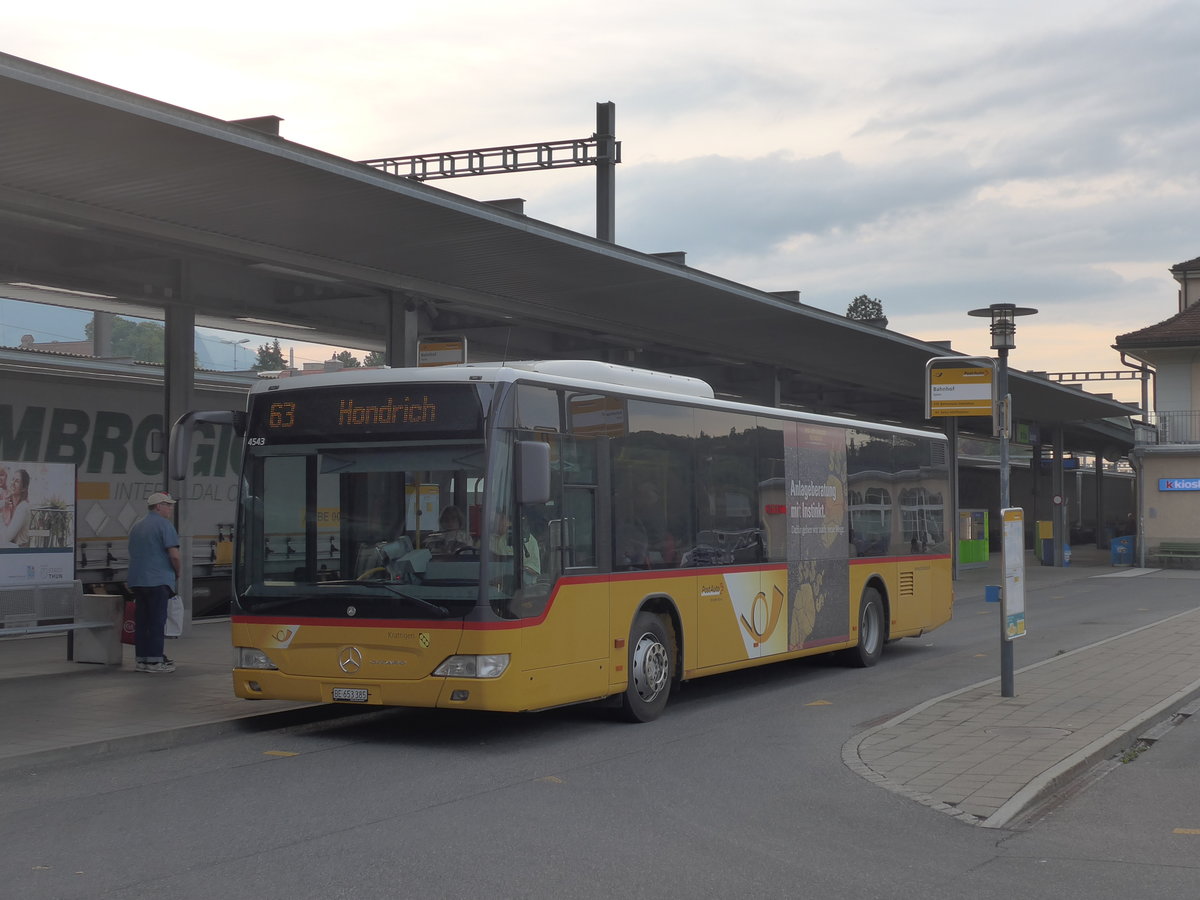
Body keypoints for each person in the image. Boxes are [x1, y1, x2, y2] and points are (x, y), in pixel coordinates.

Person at [127, 491, 182, 674]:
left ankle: (142, 660)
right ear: (159, 506)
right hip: (158, 580)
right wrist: (178, 572)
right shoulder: (165, 525)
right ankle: (155, 662)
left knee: (142, 622)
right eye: (168, 505)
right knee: (157, 622)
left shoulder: (137, 526)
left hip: (138, 580)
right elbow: (174, 555)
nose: (171, 509)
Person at [0, 468, 31, 547]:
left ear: (23, 488)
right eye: (12, 479)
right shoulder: (10, 505)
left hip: (18, 551)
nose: (12, 483)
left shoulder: (23, 507)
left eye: (17, 481)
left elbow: (7, 537)